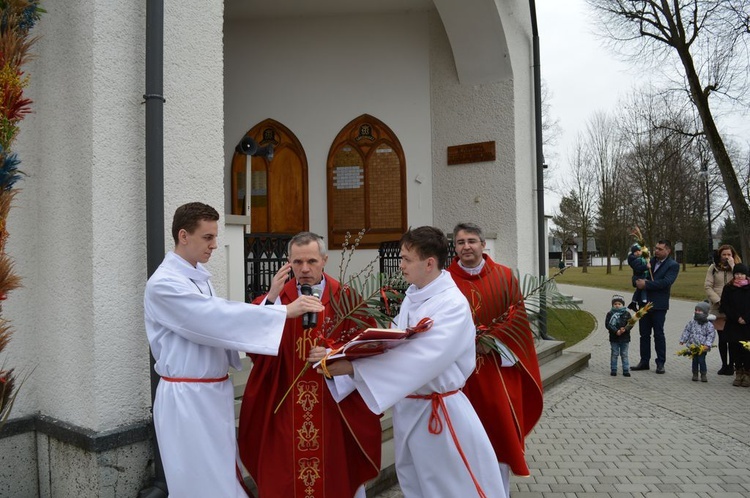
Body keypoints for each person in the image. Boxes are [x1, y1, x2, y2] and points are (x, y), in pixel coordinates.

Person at [143, 202, 323, 498]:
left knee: (222, 474)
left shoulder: (196, 276)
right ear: (184, 236)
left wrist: (270, 301)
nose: (215, 245)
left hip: (210, 392)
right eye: (208, 238)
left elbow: (220, 323)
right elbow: (212, 319)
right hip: (187, 398)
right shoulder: (164, 284)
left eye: (215, 237)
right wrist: (283, 312)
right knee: (199, 480)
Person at [314, 226, 506, 498]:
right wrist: (341, 355)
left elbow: (422, 358)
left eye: (406, 259)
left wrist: (354, 368)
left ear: (429, 263)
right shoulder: (414, 296)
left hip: (439, 412)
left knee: (448, 488)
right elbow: (393, 344)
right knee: (415, 484)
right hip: (411, 408)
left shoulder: (451, 304)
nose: (400, 265)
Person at [237, 232, 382, 498]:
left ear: (325, 260)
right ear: (288, 262)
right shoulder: (278, 299)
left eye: (312, 261)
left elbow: (367, 349)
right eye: (297, 262)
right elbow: (252, 344)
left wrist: (334, 353)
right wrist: (271, 299)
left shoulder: (346, 299)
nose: (304, 269)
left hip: (334, 409)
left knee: (335, 474)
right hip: (285, 404)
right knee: (283, 476)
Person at [446, 222, 543, 496]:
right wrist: (466, 342)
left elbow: (517, 317)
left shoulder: (504, 276)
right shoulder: (445, 279)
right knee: (461, 438)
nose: (467, 246)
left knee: (497, 433)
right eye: (461, 242)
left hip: (496, 372)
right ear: (455, 247)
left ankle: (499, 492)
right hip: (458, 375)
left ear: (483, 244)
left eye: (472, 241)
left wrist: (491, 341)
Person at [631, 239, 679, 374]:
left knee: (658, 334)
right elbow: (635, 276)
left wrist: (646, 285)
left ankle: (660, 363)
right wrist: (637, 282)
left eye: (660, 249)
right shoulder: (648, 261)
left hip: (659, 305)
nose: (656, 251)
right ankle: (644, 361)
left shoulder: (672, 265)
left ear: (668, 250)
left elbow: (666, 282)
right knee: (644, 334)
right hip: (643, 303)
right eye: (656, 248)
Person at [705, 244, 740, 375]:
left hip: (733, 307)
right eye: (724, 254)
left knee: (733, 338)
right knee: (722, 337)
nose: (726, 257)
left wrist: (733, 266)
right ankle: (724, 364)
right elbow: (708, 286)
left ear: (733, 255)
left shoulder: (736, 267)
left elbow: (742, 281)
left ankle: (733, 364)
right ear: (720, 255)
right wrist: (718, 301)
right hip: (718, 306)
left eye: (729, 254)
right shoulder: (713, 268)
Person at [719, 263, 750, 388]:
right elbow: (725, 305)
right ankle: (738, 371)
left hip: (747, 324)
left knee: (746, 349)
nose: (739, 276)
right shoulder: (728, 288)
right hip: (734, 323)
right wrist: (736, 317)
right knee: (735, 348)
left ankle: (747, 373)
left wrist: (746, 318)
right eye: (737, 274)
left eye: (742, 274)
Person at [678, 302, 716, 383]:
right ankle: (695, 373)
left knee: (701, 360)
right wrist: (683, 339)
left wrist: (707, 344)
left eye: (699, 311)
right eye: (696, 310)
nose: (697, 312)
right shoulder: (692, 322)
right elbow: (687, 330)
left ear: (705, 312)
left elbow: (711, 335)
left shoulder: (708, 324)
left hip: (702, 347)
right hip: (693, 345)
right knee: (694, 360)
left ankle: (703, 374)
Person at [605, 294, 632, 377]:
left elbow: (631, 324)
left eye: (619, 304)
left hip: (625, 338)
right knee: (614, 353)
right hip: (614, 338)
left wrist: (625, 329)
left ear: (623, 305)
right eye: (615, 304)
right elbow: (608, 325)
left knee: (624, 354)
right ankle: (613, 369)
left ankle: (625, 370)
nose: (617, 305)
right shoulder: (610, 314)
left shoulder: (627, 314)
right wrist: (616, 331)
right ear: (612, 305)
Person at [627, 244, 650, 311]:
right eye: (636, 251)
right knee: (643, 288)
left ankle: (633, 302)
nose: (638, 252)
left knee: (638, 290)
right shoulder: (636, 260)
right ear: (633, 253)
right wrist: (646, 267)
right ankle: (644, 302)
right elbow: (638, 268)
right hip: (639, 277)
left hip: (642, 276)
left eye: (639, 251)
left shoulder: (641, 259)